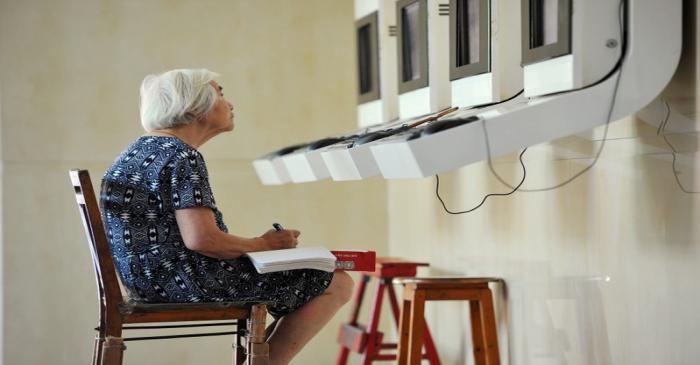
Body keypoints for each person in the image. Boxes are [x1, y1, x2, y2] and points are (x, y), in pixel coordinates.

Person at [100, 69, 354, 364]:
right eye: (220, 93)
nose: (229, 103)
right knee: (336, 281)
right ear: (195, 108)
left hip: (147, 282)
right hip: (185, 282)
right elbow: (202, 240)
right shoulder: (182, 156)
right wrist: (265, 245)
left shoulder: (137, 151)